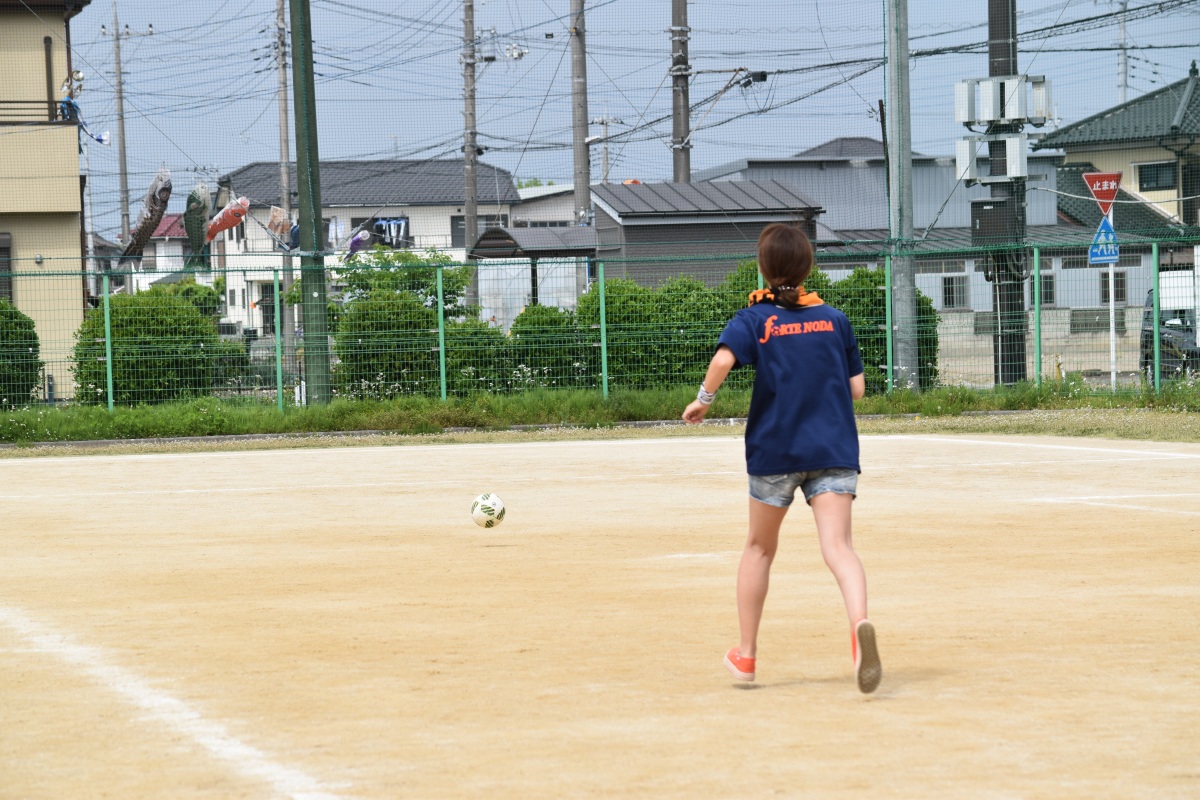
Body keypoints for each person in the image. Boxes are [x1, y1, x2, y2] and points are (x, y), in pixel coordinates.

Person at [682, 223, 881, 694]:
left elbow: (723, 361)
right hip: (833, 448)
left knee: (759, 549)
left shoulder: (755, 319)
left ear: (764, 268)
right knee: (840, 548)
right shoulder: (834, 319)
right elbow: (856, 389)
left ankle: (746, 656)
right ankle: (859, 625)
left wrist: (703, 401)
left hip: (775, 449)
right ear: (808, 268)